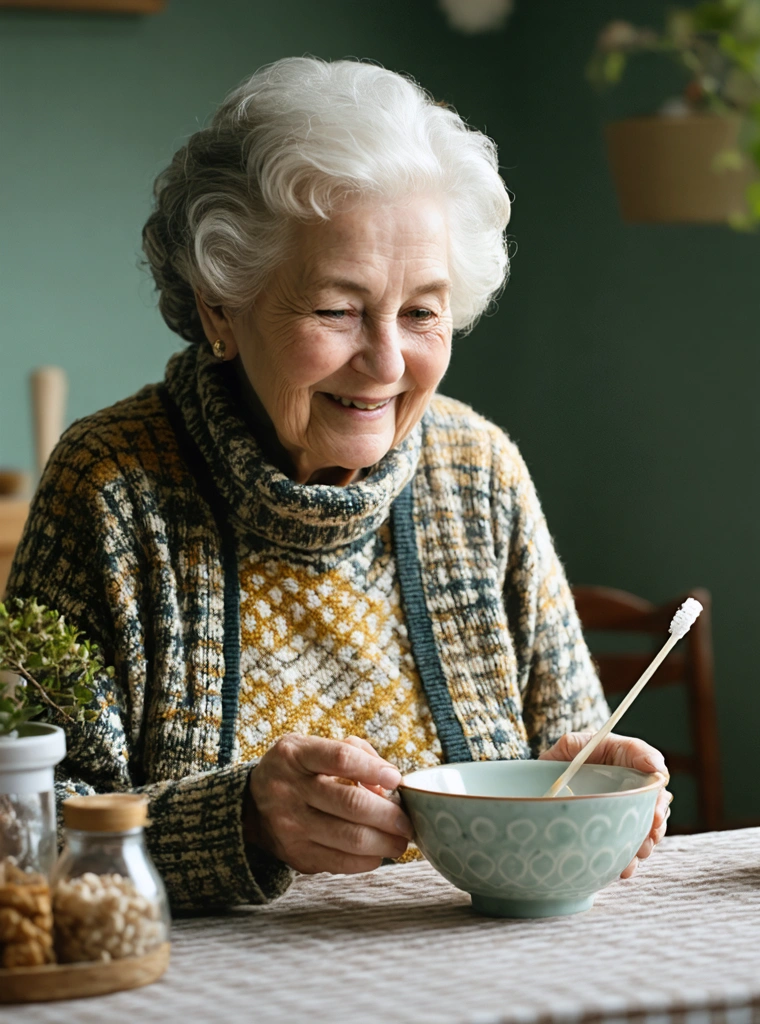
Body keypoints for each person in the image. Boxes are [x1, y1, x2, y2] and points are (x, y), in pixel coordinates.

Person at [8, 58, 671, 911]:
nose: (387, 362)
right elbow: (22, 836)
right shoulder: (112, 486)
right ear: (221, 307)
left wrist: (604, 797)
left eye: (421, 312)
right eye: (337, 310)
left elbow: (572, 754)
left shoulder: (479, 473)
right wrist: (238, 823)